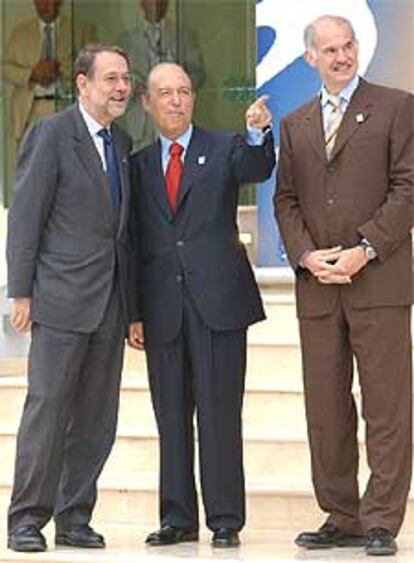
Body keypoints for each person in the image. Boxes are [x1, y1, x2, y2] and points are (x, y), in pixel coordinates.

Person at [274, 15, 413, 557]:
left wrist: (365, 249)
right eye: (329, 49)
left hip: (378, 281)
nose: (341, 56)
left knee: (386, 407)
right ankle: (342, 515)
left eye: (347, 46)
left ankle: (381, 521)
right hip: (318, 289)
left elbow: (407, 188)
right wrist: (307, 255)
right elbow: (285, 199)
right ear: (310, 57)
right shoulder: (295, 122)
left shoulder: (395, 106)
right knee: (326, 408)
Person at [128, 62, 275, 548]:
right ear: (146, 103)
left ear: (193, 98)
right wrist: (133, 312)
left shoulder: (225, 147)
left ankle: (225, 518)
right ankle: (177, 517)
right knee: (170, 416)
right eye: (164, 93)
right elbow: (133, 243)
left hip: (219, 304)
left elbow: (257, 167)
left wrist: (257, 134)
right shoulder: (138, 164)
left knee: (218, 413)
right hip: (162, 306)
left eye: (184, 91)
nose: (176, 100)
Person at [6, 44, 132, 553]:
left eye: (125, 78)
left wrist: (134, 310)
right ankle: (27, 519)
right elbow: (26, 216)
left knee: (98, 419)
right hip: (59, 300)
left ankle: (75, 516)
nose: (121, 87)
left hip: (110, 305)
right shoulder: (52, 134)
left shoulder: (122, 143)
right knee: (49, 411)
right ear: (83, 84)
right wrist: (20, 291)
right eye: (111, 79)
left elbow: (122, 233)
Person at [2, 0, 96, 206]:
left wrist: (61, 71)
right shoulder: (21, 32)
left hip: (66, 107)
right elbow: (5, 68)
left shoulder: (80, 30)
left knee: (68, 171)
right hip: (30, 110)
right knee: (32, 173)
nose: (47, 5)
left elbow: (94, 67)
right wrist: (32, 73)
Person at [118, 0, 205, 150]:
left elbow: (198, 74)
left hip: (175, 118)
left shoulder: (184, 35)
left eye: (161, 0)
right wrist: (134, 85)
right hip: (139, 123)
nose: (156, 4)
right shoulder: (127, 39)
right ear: (141, 3)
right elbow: (120, 78)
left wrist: (177, 84)